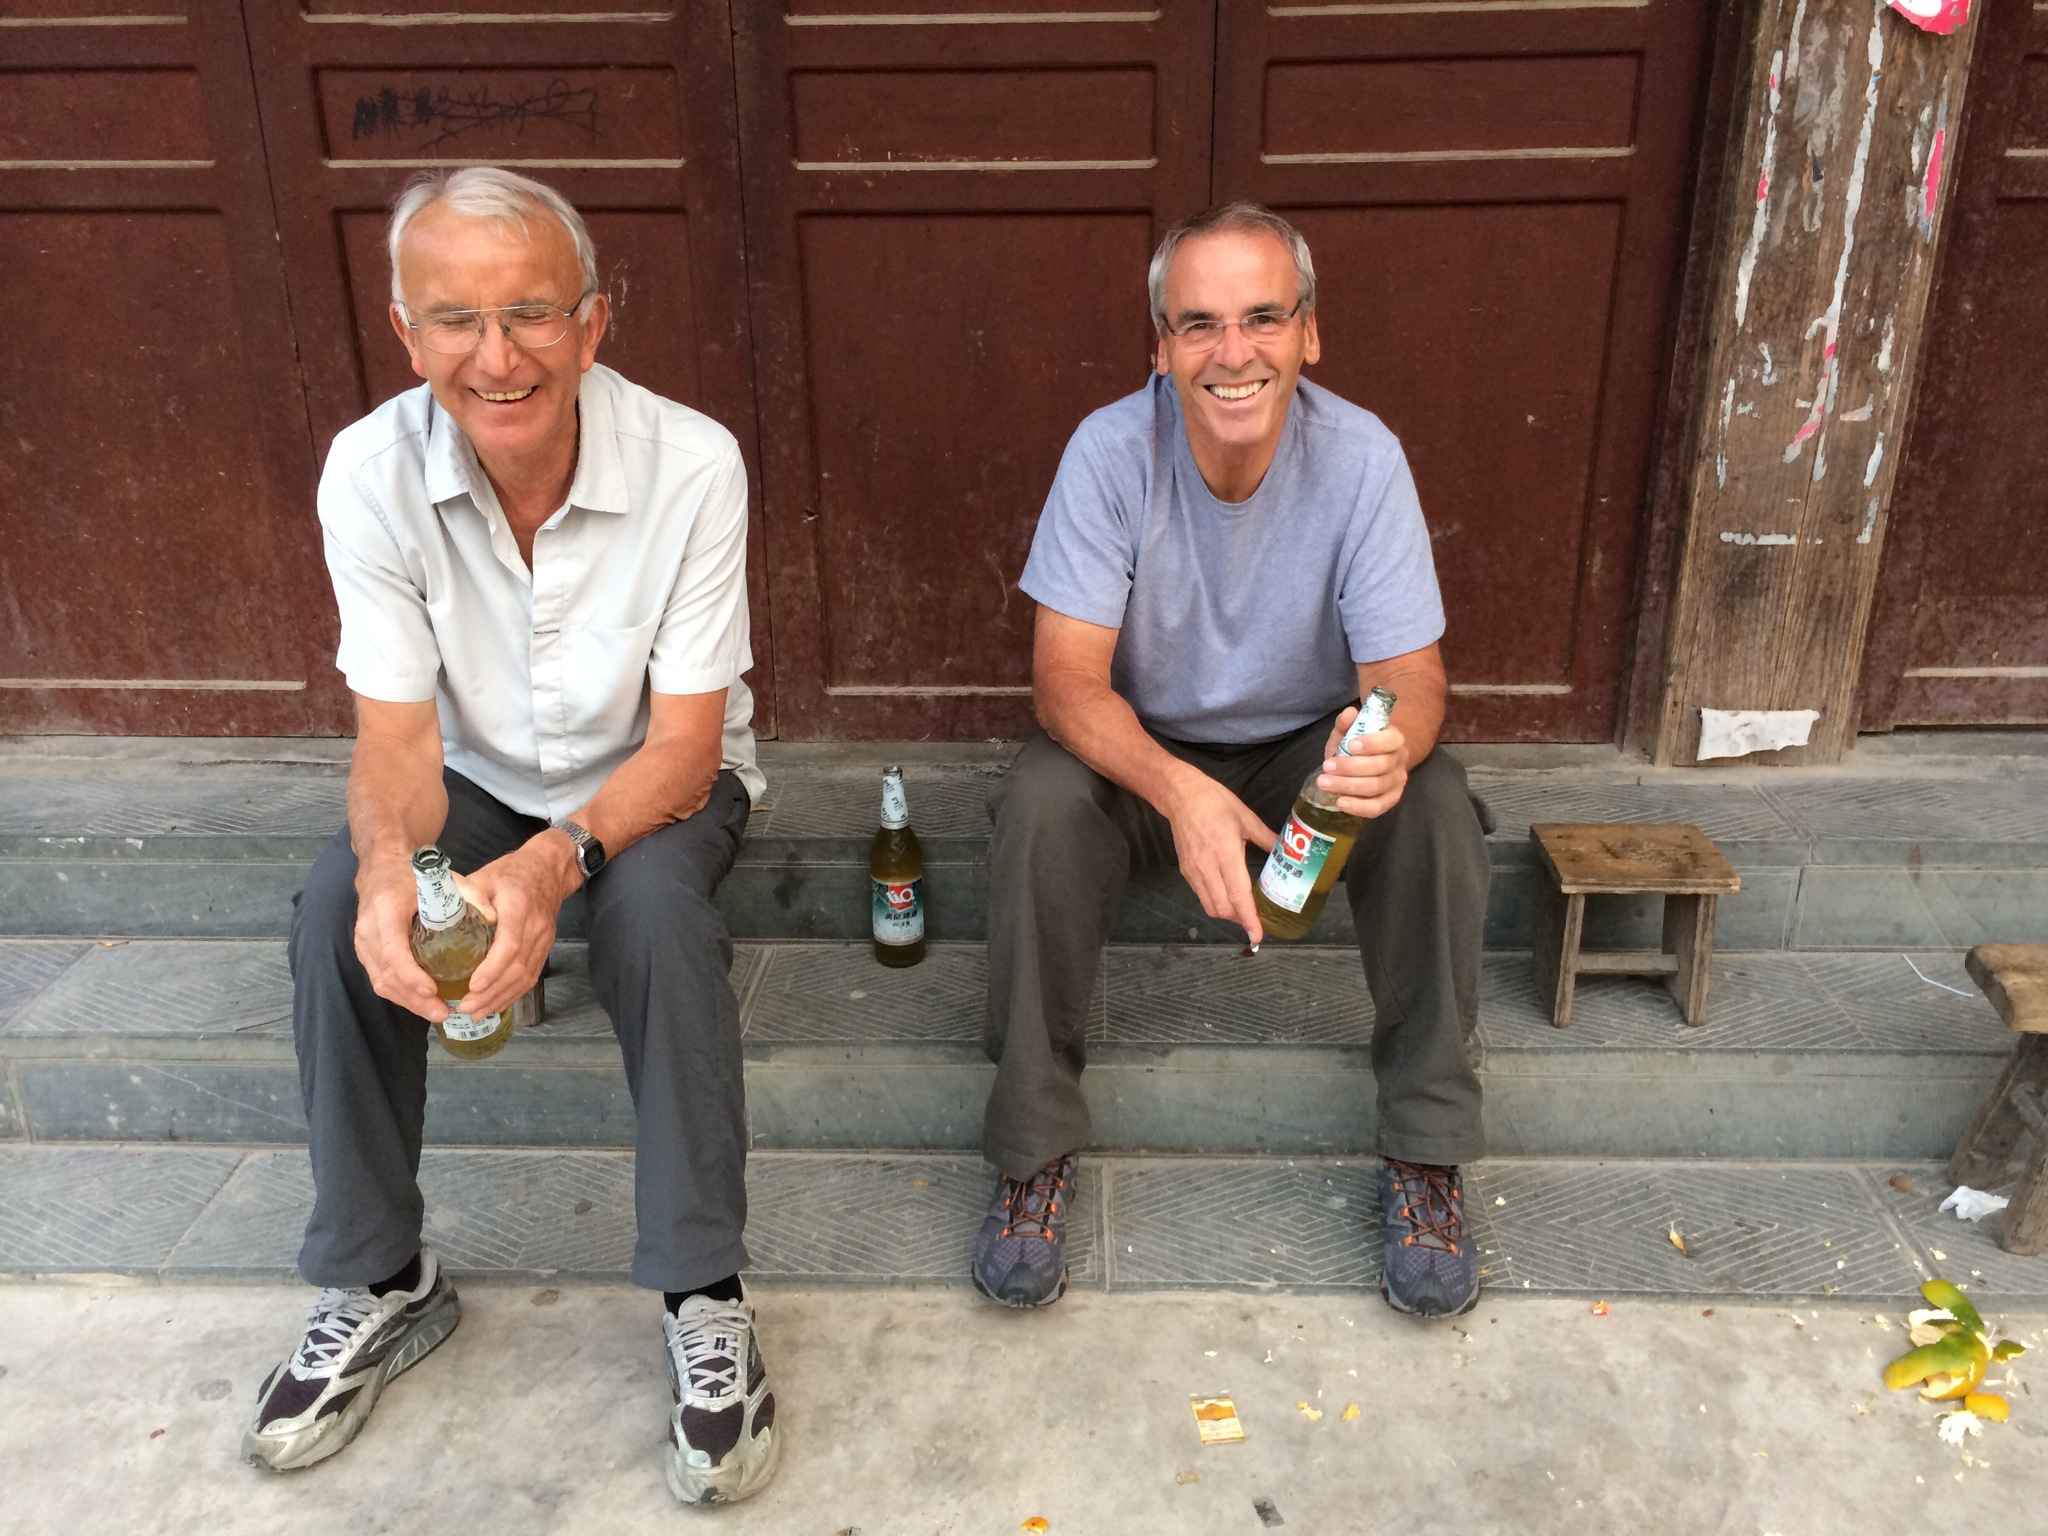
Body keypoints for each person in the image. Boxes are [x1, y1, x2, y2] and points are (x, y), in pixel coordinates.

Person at [242, 167, 778, 1505]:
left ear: (594, 322)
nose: (497, 356)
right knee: (334, 911)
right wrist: (387, 866)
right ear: (405, 331)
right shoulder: (368, 471)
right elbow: (398, 746)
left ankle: (703, 1295)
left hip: (655, 779)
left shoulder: (692, 463)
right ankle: (380, 1275)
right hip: (475, 776)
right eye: (455, 319)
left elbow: (685, 747)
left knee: (653, 919)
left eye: (532, 312)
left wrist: (554, 866)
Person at [970, 203, 1491, 1319]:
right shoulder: (1110, 450)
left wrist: (1387, 746)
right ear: (1160, 347)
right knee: (1039, 803)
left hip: (1304, 748)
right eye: (1197, 323)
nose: (1231, 351)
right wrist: (1180, 789)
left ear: (1310, 332)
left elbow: (1410, 674)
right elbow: (1064, 681)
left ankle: (1425, 1149)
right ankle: (1030, 1151)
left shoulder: (1362, 457)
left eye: (1262, 317)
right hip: (1143, 752)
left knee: (1436, 801)